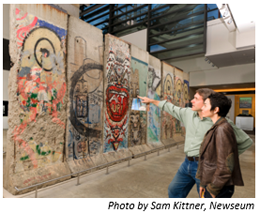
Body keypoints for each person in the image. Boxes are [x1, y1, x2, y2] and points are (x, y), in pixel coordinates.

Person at [138, 88, 252, 198]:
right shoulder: (188, 113)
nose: (191, 101)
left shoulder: (220, 123)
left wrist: (223, 159)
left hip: (205, 166)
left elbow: (246, 141)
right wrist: (152, 101)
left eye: (196, 98)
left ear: (206, 102)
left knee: (204, 196)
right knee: (174, 190)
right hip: (186, 163)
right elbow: (170, 107)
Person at [197, 92, 244, 198]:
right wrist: (203, 183)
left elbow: (226, 165)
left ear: (216, 109)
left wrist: (213, 189)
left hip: (219, 187)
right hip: (212, 182)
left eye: (205, 105)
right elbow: (210, 159)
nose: (202, 108)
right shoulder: (217, 126)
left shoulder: (222, 129)